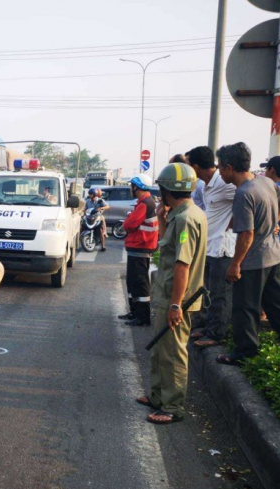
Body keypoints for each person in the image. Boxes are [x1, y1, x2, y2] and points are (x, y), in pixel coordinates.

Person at [137, 163, 207, 424]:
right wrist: (162, 217)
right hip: (168, 295)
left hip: (177, 298)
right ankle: (158, 396)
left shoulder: (187, 219)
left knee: (173, 353)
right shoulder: (181, 215)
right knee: (159, 349)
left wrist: (177, 305)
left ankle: (173, 407)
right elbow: (167, 245)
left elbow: (182, 264)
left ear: (167, 190)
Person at [214, 142, 280, 365]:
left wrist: (235, 265)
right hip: (273, 255)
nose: (219, 173)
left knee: (245, 308)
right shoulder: (265, 182)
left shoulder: (244, 193)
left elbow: (247, 234)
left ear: (230, 167)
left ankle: (245, 352)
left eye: (220, 168)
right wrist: (273, 221)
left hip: (254, 261)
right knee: (277, 305)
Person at [185, 146, 237, 348]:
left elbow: (254, 198)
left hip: (223, 247)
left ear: (196, 166)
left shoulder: (226, 183)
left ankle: (216, 334)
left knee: (220, 293)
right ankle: (208, 327)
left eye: (189, 165)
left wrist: (237, 221)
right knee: (208, 291)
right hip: (209, 247)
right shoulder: (205, 185)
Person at [118, 174, 158, 327]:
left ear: (137, 187)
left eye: (131, 186)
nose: (130, 189)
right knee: (133, 281)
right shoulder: (146, 201)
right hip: (138, 246)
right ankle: (135, 312)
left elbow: (129, 225)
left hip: (141, 246)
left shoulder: (145, 203)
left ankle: (143, 317)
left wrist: (128, 219)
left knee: (139, 282)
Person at [261, 155, 280, 240]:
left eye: (266, 169)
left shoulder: (274, 190)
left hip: (269, 239)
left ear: (272, 170)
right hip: (276, 238)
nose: (265, 173)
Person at [84, 187, 109, 251]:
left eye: (91, 194)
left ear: (94, 194)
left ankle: (103, 245)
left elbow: (107, 206)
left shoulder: (99, 200)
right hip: (89, 217)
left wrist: (101, 208)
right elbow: (85, 208)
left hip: (97, 217)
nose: (90, 195)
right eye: (89, 194)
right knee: (82, 225)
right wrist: (84, 211)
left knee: (100, 230)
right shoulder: (87, 201)